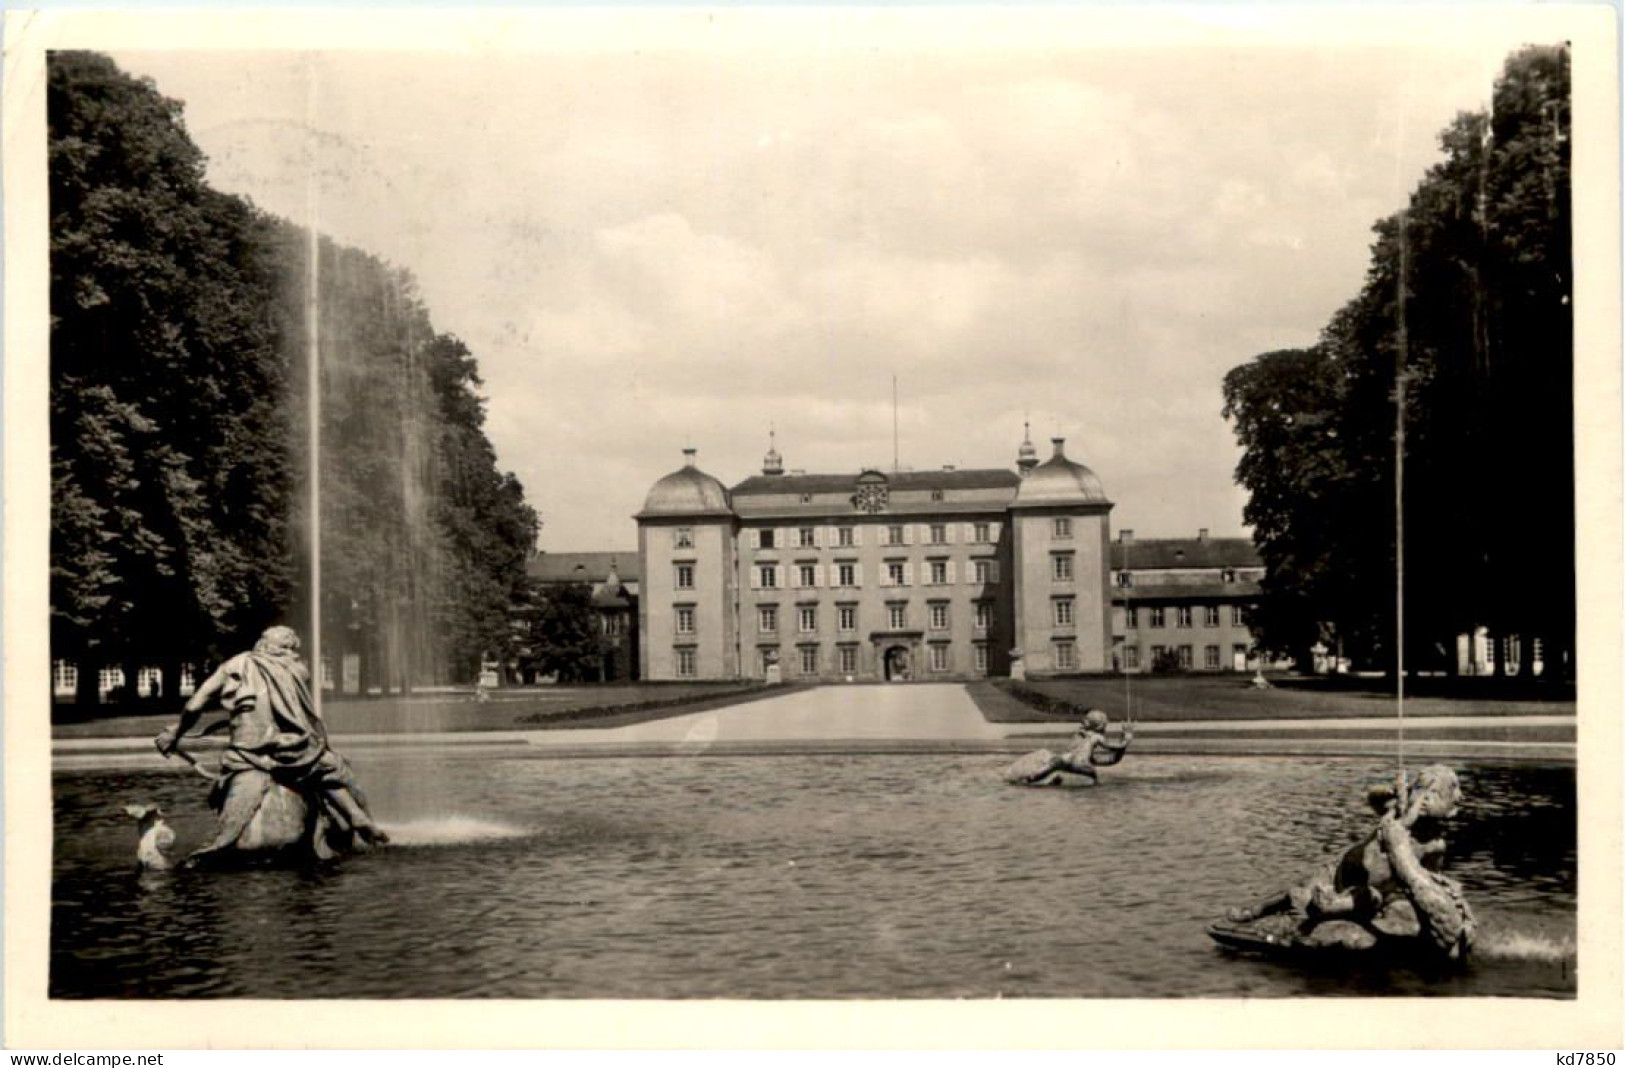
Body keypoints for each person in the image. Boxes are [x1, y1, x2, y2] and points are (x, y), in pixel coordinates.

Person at [156, 625, 388, 862]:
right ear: (288, 650)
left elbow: (195, 704)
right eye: (291, 648)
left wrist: (177, 732)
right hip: (293, 750)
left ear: (262, 644)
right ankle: (356, 815)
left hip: (246, 751)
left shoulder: (235, 664)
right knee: (333, 769)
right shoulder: (297, 670)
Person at [1224, 764, 1474, 957]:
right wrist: (1390, 791)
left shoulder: (1434, 844)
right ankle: (1253, 912)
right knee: (1295, 890)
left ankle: (1323, 911)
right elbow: (1373, 798)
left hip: (1372, 890)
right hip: (1340, 870)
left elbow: (1427, 878)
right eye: (1422, 791)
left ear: (1449, 806)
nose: (1425, 800)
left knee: (1365, 898)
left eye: (1434, 794)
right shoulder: (1396, 810)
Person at [1014, 708, 1133, 785]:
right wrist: (1125, 741)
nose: (1083, 721)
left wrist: (1123, 744)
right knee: (1090, 776)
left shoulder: (1088, 736)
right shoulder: (1088, 736)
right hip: (1076, 763)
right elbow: (1111, 753)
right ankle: (1039, 777)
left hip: (1072, 761)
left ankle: (1032, 778)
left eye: (1087, 720)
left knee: (1054, 763)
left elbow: (1111, 755)